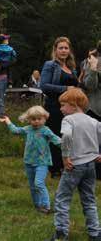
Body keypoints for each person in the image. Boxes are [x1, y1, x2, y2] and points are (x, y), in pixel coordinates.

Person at [47, 88, 101, 241]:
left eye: (63, 105)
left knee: (62, 198)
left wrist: (65, 157)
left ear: (74, 104)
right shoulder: (93, 120)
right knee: (89, 198)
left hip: (74, 165)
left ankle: (61, 233)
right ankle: (95, 233)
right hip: (91, 165)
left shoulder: (68, 120)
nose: (61, 109)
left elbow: (67, 136)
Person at [0, 106, 61, 214]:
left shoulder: (45, 130)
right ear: (29, 120)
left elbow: (56, 140)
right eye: (33, 119)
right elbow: (15, 131)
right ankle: (38, 205)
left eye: (39, 119)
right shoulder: (28, 129)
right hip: (29, 162)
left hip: (42, 162)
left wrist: (68, 147)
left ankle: (46, 206)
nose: (36, 121)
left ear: (44, 118)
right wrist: (8, 121)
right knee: (32, 186)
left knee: (39, 183)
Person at [40, 37, 79, 177]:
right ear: (55, 50)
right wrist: (66, 88)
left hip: (71, 109)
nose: (63, 51)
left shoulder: (72, 68)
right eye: (60, 48)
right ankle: (55, 169)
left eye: (66, 48)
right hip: (54, 107)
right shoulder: (50, 65)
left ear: (69, 50)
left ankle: (67, 166)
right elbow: (43, 86)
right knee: (56, 136)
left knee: (69, 137)